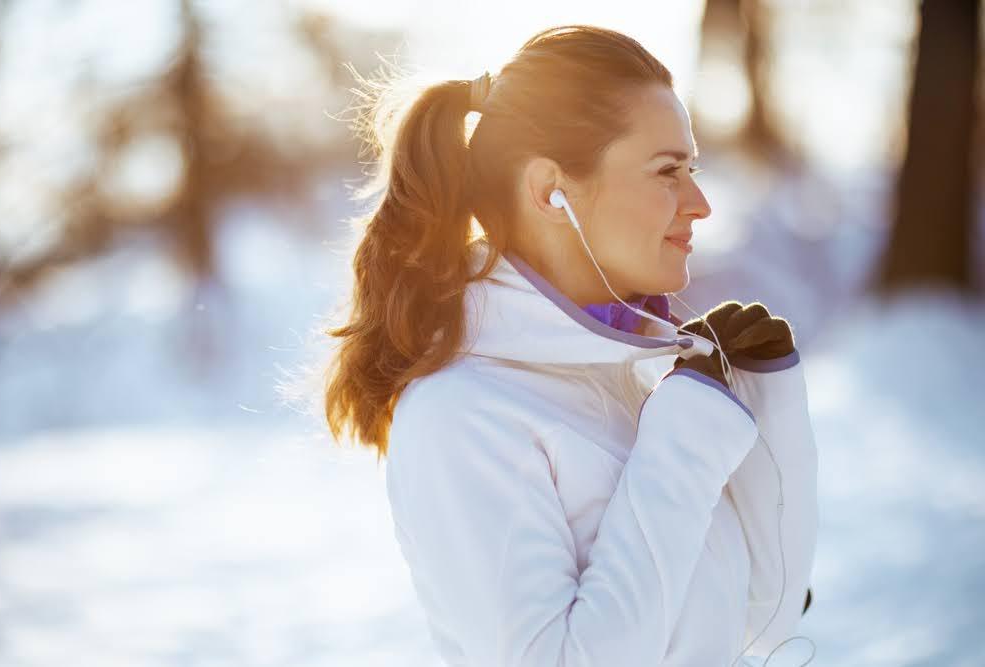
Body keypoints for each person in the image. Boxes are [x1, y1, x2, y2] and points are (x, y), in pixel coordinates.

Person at [321, 24, 818, 666]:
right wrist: (685, 442)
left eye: (692, 169)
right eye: (668, 171)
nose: (699, 203)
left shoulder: (639, 384)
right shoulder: (462, 415)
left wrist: (764, 402)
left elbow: (765, 620)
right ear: (549, 191)